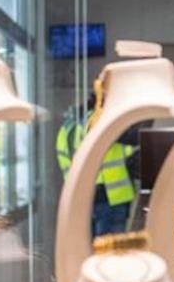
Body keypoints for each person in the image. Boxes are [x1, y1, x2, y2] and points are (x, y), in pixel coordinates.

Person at [55, 93, 140, 238]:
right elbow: (133, 138)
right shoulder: (100, 121)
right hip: (110, 197)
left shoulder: (68, 127)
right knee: (112, 253)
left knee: (91, 249)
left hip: (82, 196)